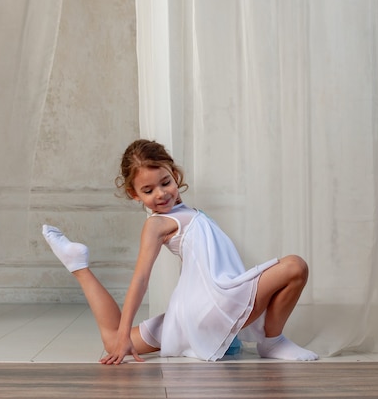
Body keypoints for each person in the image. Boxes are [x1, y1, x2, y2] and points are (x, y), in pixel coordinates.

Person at [42, 139, 319, 365]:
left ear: (175, 175)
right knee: (294, 266)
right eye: (148, 190)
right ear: (134, 194)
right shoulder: (157, 224)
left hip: (195, 310)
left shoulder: (186, 212)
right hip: (215, 304)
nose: (161, 194)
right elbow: (140, 279)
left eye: (165, 183)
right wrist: (126, 332)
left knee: (113, 342)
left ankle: (77, 264)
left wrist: (122, 337)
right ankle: (272, 342)